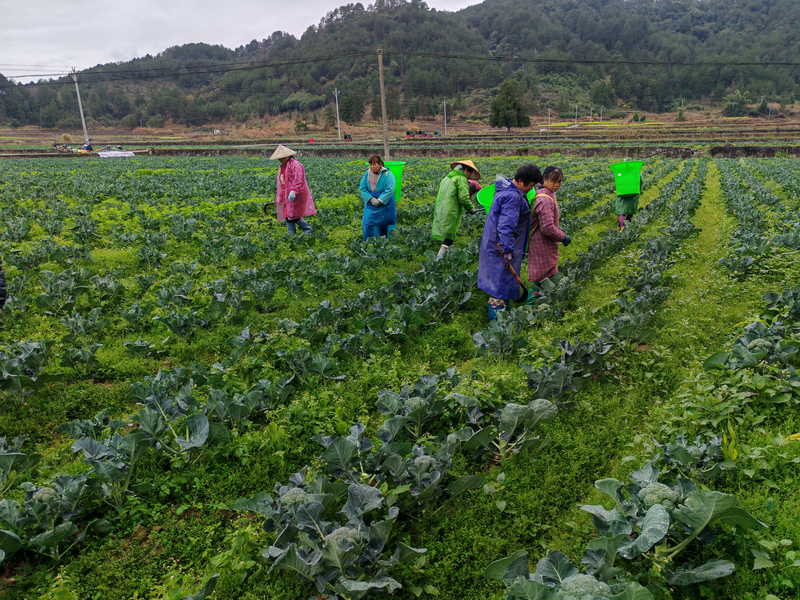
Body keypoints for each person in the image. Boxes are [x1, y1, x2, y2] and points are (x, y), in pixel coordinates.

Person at [478, 164, 543, 320]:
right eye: (530, 185)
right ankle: (496, 326)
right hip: (501, 247)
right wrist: (507, 251)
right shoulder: (513, 198)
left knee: (502, 282)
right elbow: (506, 226)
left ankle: (504, 317)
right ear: (520, 181)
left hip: (495, 243)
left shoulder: (506, 189)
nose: (531, 189)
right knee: (499, 285)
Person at [527, 166, 571, 301]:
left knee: (549, 271)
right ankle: (532, 303)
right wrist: (563, 237)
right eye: (553, 181)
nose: (557, 185)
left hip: (545, 241)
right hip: (541, 242)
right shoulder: (544, 199)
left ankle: (550, 299)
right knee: (542, 274)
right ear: (544, 180)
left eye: (560, 181)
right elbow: (547, 228)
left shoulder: (547, 192)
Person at [432, 159, 481, 259]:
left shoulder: (448, 177)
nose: (469, 176)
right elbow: (463, 198)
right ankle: (439, 260)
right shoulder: (461, 178)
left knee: (446, 234)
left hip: (441, 207)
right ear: (466, 170)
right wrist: (471, 209)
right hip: (451, 210)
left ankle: (441, 258)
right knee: (449, 238)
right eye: (469, 173)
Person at [270, 144, 316, 235]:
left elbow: (298, 179)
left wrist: (293, 191)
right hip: (287, 194)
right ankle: (291, 235)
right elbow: (282, 183)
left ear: (287, 156)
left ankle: (307, 229)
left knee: (293, 214)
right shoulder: (283, 166)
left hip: (297, 193)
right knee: (288, 214)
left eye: (281, 157)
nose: (280, 159)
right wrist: (280, 196)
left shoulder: (295, 165)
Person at [359, 154, 397, 240]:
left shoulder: (387, 174)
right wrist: (370, 199)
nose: (372, 167)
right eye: (370, 164)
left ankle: (387, 240)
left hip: (386, 204)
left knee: (386, 222)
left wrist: (380, 200)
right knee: (368, 222)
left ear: (380, 164)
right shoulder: (367, 173)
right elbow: (362, 188)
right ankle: (369, 241)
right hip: (371, 203)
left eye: (374, 164)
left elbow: (390, 190)